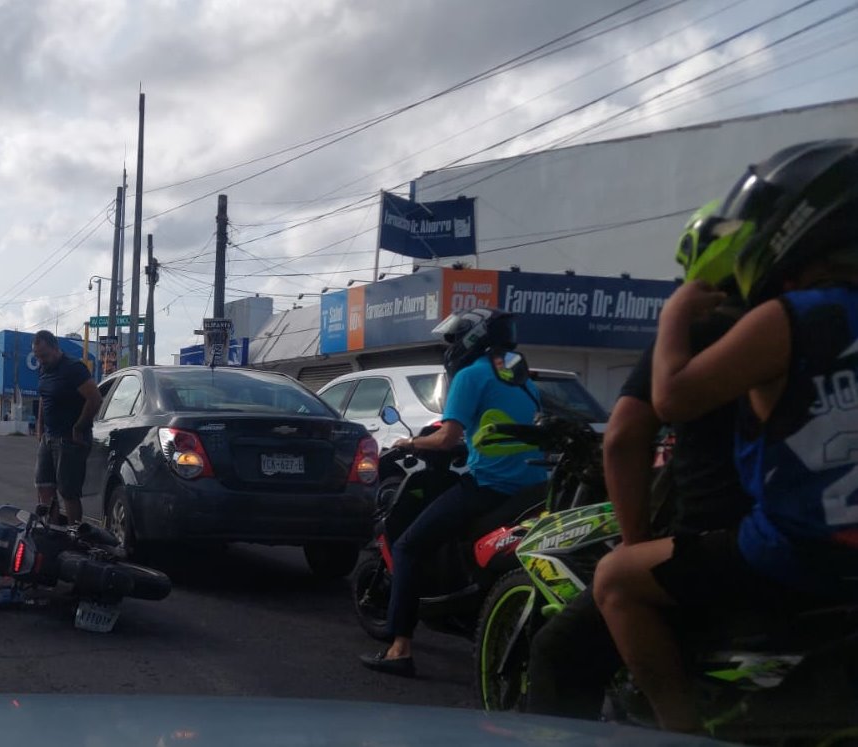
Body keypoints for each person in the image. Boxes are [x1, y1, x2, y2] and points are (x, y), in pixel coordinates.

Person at [594, 139, 858, 733]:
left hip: (793, 550)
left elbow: (671, 399)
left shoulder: (786, 318)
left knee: (614, 579)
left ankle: (680, 730)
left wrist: (673, 318)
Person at [525, 204, 752, 719]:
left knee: (560, 649)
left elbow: (625, 439)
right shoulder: (816, 321)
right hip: (812, 546)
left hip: (721, 545)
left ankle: (676, 724)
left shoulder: (703, 328)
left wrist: (636, 545)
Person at [360, 307, 546, 676]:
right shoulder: (525, 382)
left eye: (455, 338)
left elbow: (445, 437)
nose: (452, 346)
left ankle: (400, 649)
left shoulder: (472, 376)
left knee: (408, 546)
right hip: (531, 490)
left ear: (471, 339)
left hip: (490, 487)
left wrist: (410, 442)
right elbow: (496, 434)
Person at [32, 330, 102, 525]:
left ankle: (73, 536)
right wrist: (40, 427)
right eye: (37, 356)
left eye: (44, 355)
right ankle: (52, 530)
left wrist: (80, 427)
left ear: (56, 349)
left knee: (68, 492)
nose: (41, 360)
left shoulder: (73, 368)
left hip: (69, 440)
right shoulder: (44, 369)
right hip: (49, 437)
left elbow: (95, 398)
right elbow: (44, 397)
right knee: (44, 486)